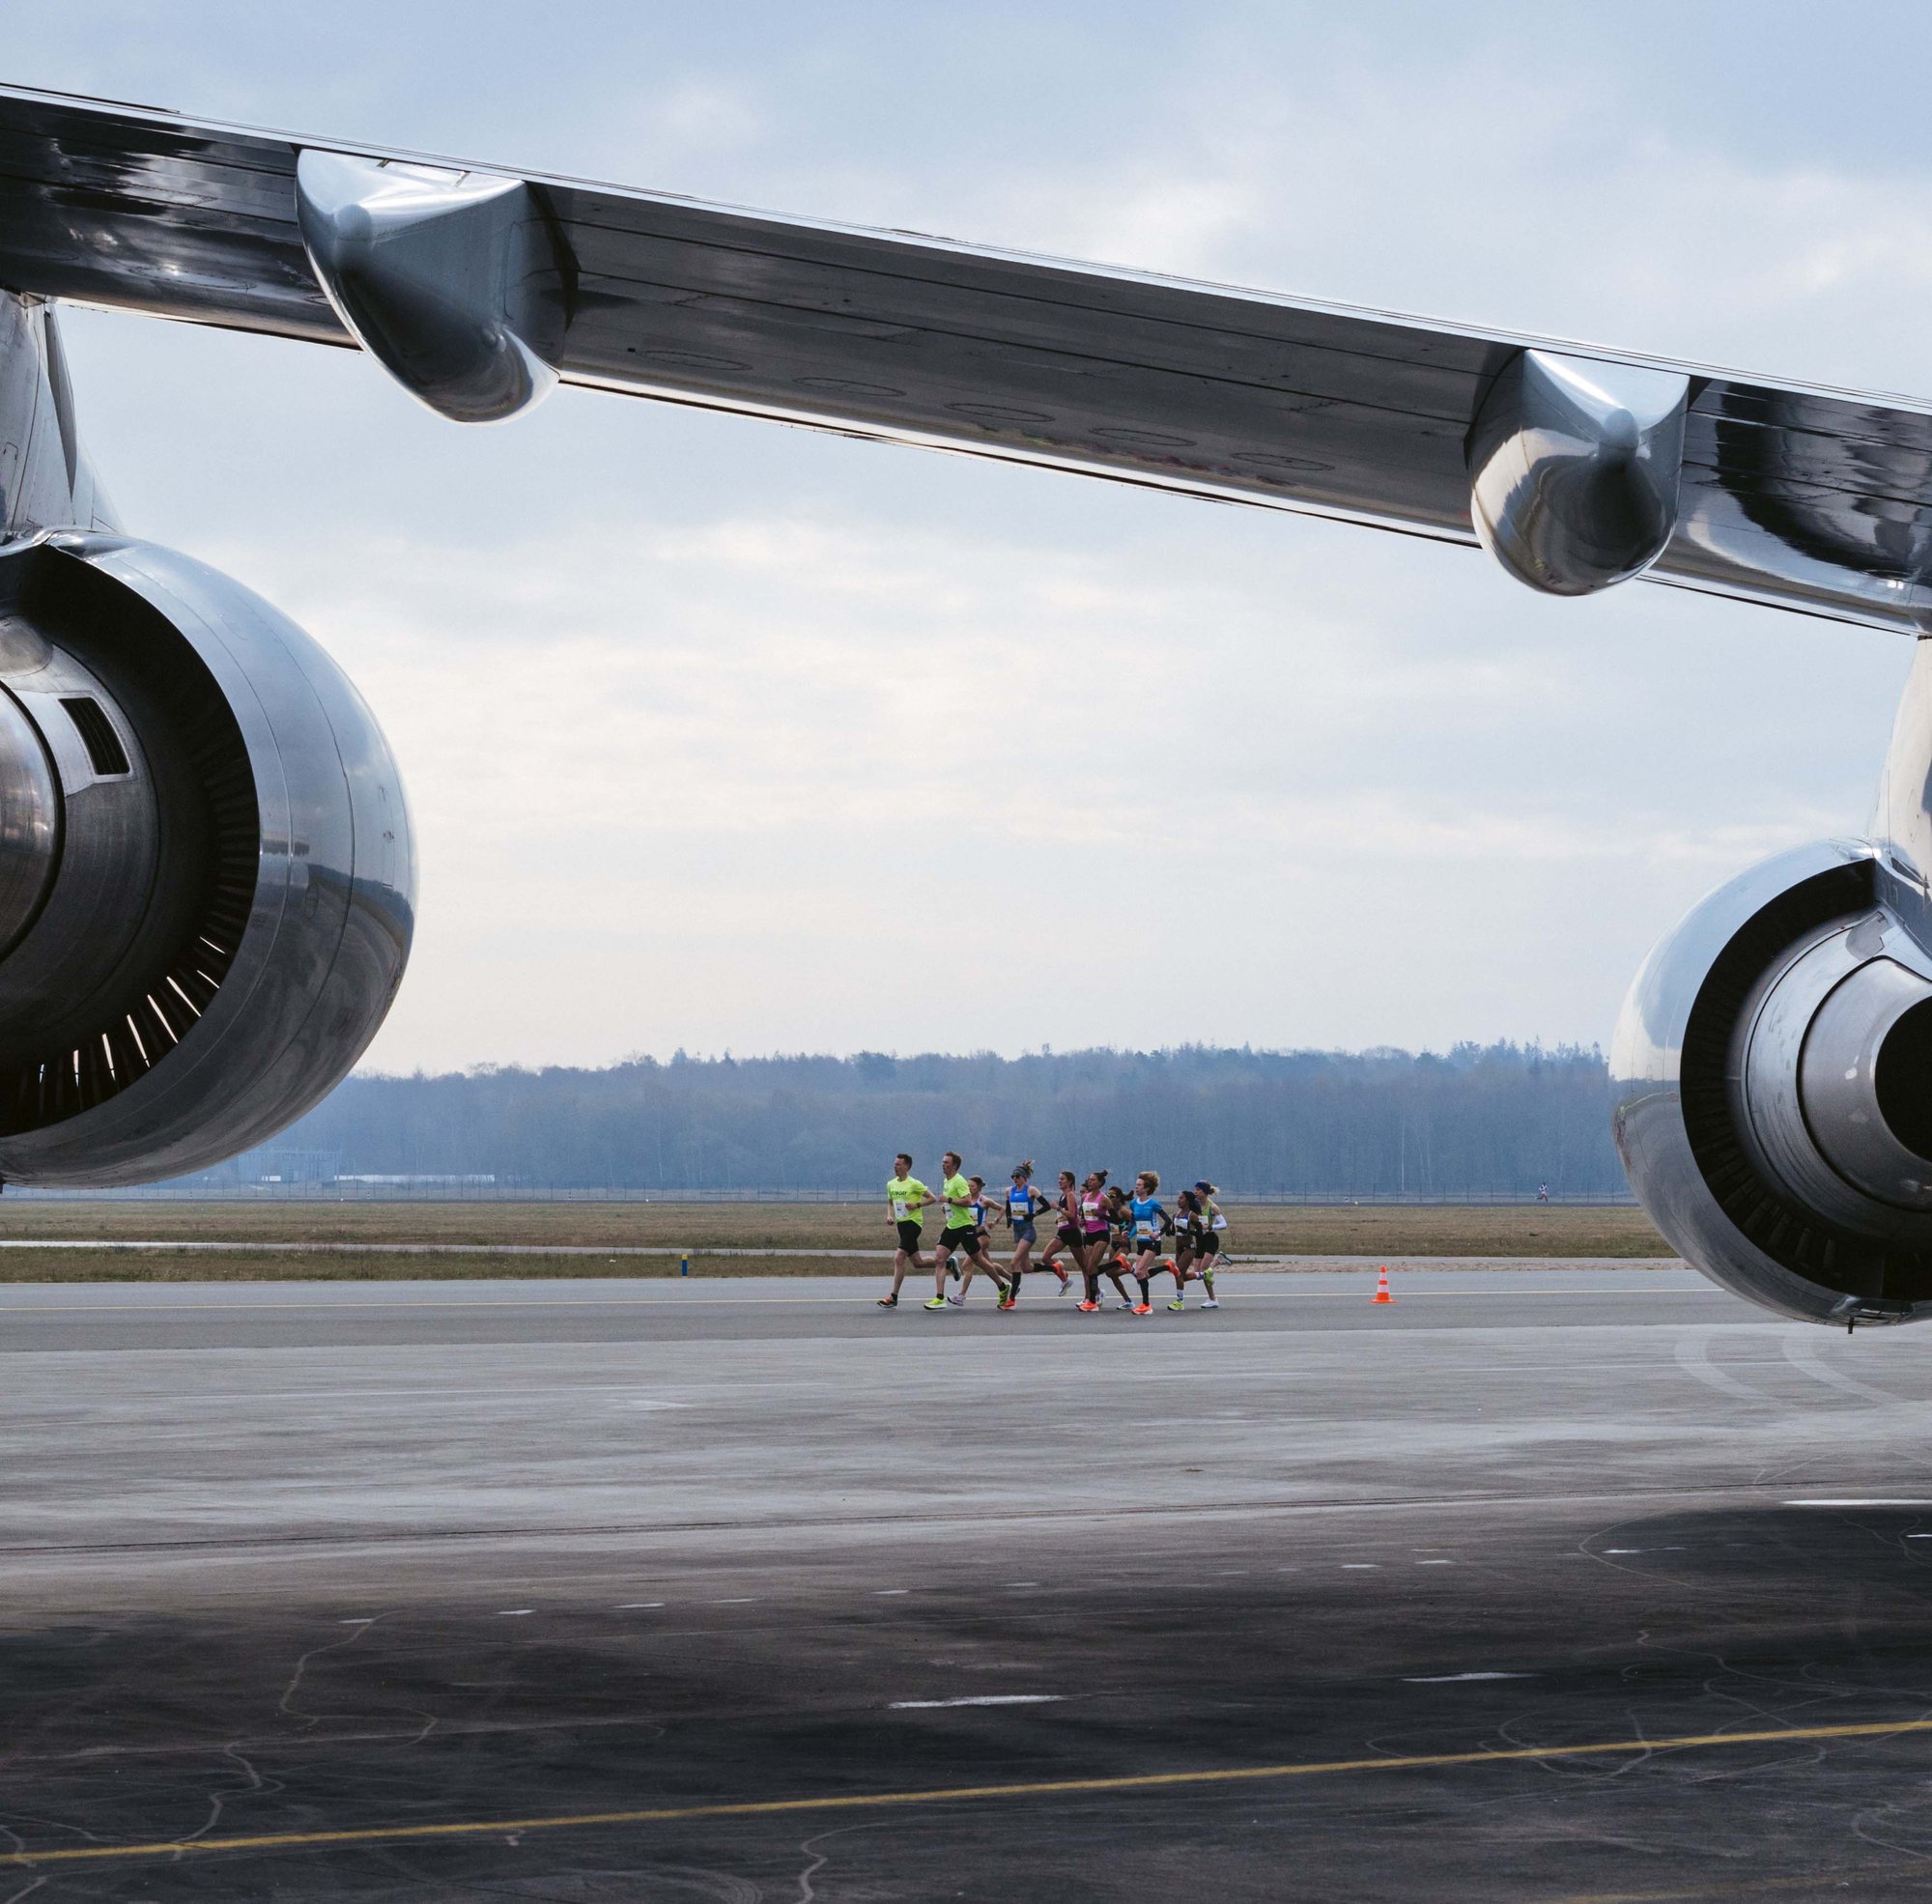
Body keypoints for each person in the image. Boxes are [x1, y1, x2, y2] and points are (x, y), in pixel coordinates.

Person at [927, 1151, 1010, 1308]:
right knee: (939, 1259)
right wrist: (947, 1207)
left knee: (979, 1260)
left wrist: (949, 1199)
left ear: (955, 1166)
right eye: (943, 1162)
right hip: (952, 1226)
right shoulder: (947, 1181)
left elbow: (967, 1201)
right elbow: (953, 1203)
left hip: (965, 1227)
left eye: (947, 1163)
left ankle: (1002, 1287)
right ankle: (939, 1298)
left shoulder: (959, 1181)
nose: (943, 1165)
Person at [999, 1161, 1067, 1303]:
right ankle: (1055, 1268)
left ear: (1024, 1177)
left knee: (1014, 1263)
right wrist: (1008, 1218)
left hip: (1028, 1230)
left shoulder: (1031, 1190)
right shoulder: (1009, 1191)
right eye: (1013, 1177)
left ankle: (1011, 1299)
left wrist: (1034, 1214)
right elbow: (1008, 1206)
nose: (1015, 1179)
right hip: (1017, 1230)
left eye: (1017, 1176)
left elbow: (1047, 1206)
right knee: (1027, 1268)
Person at [879, 1152, 936, 1308]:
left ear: (907, 1167)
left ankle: (894, 1297)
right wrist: (890, 1216)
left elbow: (932, 1198)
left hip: (913, 1223)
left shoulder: (914, 1184)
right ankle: (948, 1264)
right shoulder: (891, 1184)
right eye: (894, 1164)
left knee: (899, 1258)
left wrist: (917, 1205)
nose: (895, 1166)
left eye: (898, 1164)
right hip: (901, 1225)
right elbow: (890, 1202)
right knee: (918, 1263)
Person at [1124, 1170, 1173, 1314]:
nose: (1136, 1187)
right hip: (1141, 1241)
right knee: (1140, 1273)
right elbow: (1133, 1220)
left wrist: (1158, 1233)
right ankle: (1167, 1267)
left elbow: (1168, 1221)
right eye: (1136, 1184)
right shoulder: (1134, 1203)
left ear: (1146, 1188)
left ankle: (1146, 1305)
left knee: (1139, 1271)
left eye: (1139, 1185)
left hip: (1153, 1241)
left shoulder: (1153, 1203)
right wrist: (1128, 1230)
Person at [1073, 1169, 1114, 1311]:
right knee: (1088, 1266)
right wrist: (1082, 1221)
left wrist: (1102, 1216)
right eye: (1089, 1179)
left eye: (1093, 1180)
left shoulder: (1104, 1199)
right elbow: (1084, 1215)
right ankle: (1095, 1295)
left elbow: (1116, 1219)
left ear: (1100, 1183)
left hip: (1101, 1234)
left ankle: (1092, 1301)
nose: (1089, 1181)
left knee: (1091, 1266)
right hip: (1089, 1235)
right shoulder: (1085, 1197)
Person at [1037, 1169, 1083, 1283]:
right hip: (1062, 1232)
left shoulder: (1070, 1195)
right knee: (1046, 1257)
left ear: (1070, 1181)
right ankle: (1065, 1278)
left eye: (1062, 1179)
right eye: (1059, 1179)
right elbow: (1065, 1215)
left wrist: (1058, 1208)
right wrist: (1059, 1219)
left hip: (1072, 1233)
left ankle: (1095, 1293)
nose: (1059, 1181)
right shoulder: (1063, 1195)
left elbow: (1072, 1215)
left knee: (1085, 1267)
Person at [1189, 1179, 1226, 1309]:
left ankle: (1212, 1299)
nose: (1195, 1192)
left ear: (1204, 1192)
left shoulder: (1212, 1207)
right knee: (1197, 1273)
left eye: (1198, 1190)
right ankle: (1218, 1261)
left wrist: (1211, 1227)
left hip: (1210, 1239)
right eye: (1195, 1189)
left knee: (1203, 1271)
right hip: (1200, 1240)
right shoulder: (1194, 1206)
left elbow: (1224, 1224)